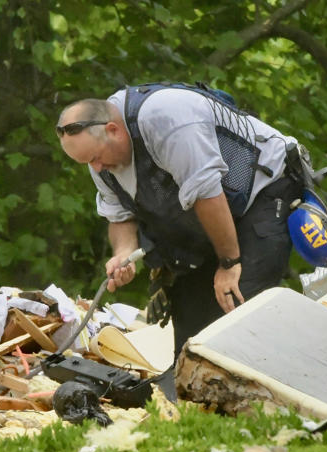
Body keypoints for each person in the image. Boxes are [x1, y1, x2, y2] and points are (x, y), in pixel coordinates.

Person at [57, 82, 306, 358]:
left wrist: (229, 263)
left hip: (262, 193)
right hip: (207, 219)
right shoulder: (100, 156)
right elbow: (119, 215)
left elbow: (207, 193)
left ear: (113, 131)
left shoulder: (166, 118)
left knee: (236, 313)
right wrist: (123, 254)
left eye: (95, 158)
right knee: (191, 339)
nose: (96, 168)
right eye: (87, 163)